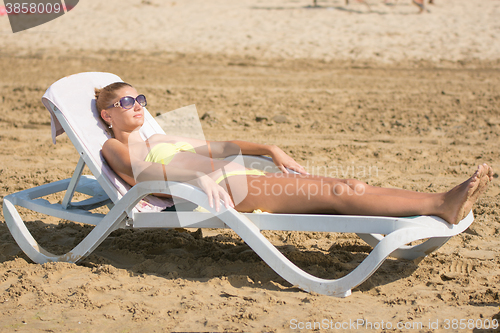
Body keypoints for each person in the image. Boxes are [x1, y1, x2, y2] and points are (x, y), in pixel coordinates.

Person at [96, 82, 493, 225]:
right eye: (128, 101)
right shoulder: (114, 146)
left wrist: (270, 149)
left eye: (141, 98)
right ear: (106, 114)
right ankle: (441, 204)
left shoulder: (161, 138)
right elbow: (144, 180)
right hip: (226, 196)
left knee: (348, 184)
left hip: (242, 181)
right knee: (340, 196)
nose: (138, 105)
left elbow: (222, 147)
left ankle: (440, 202)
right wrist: (193, 177)